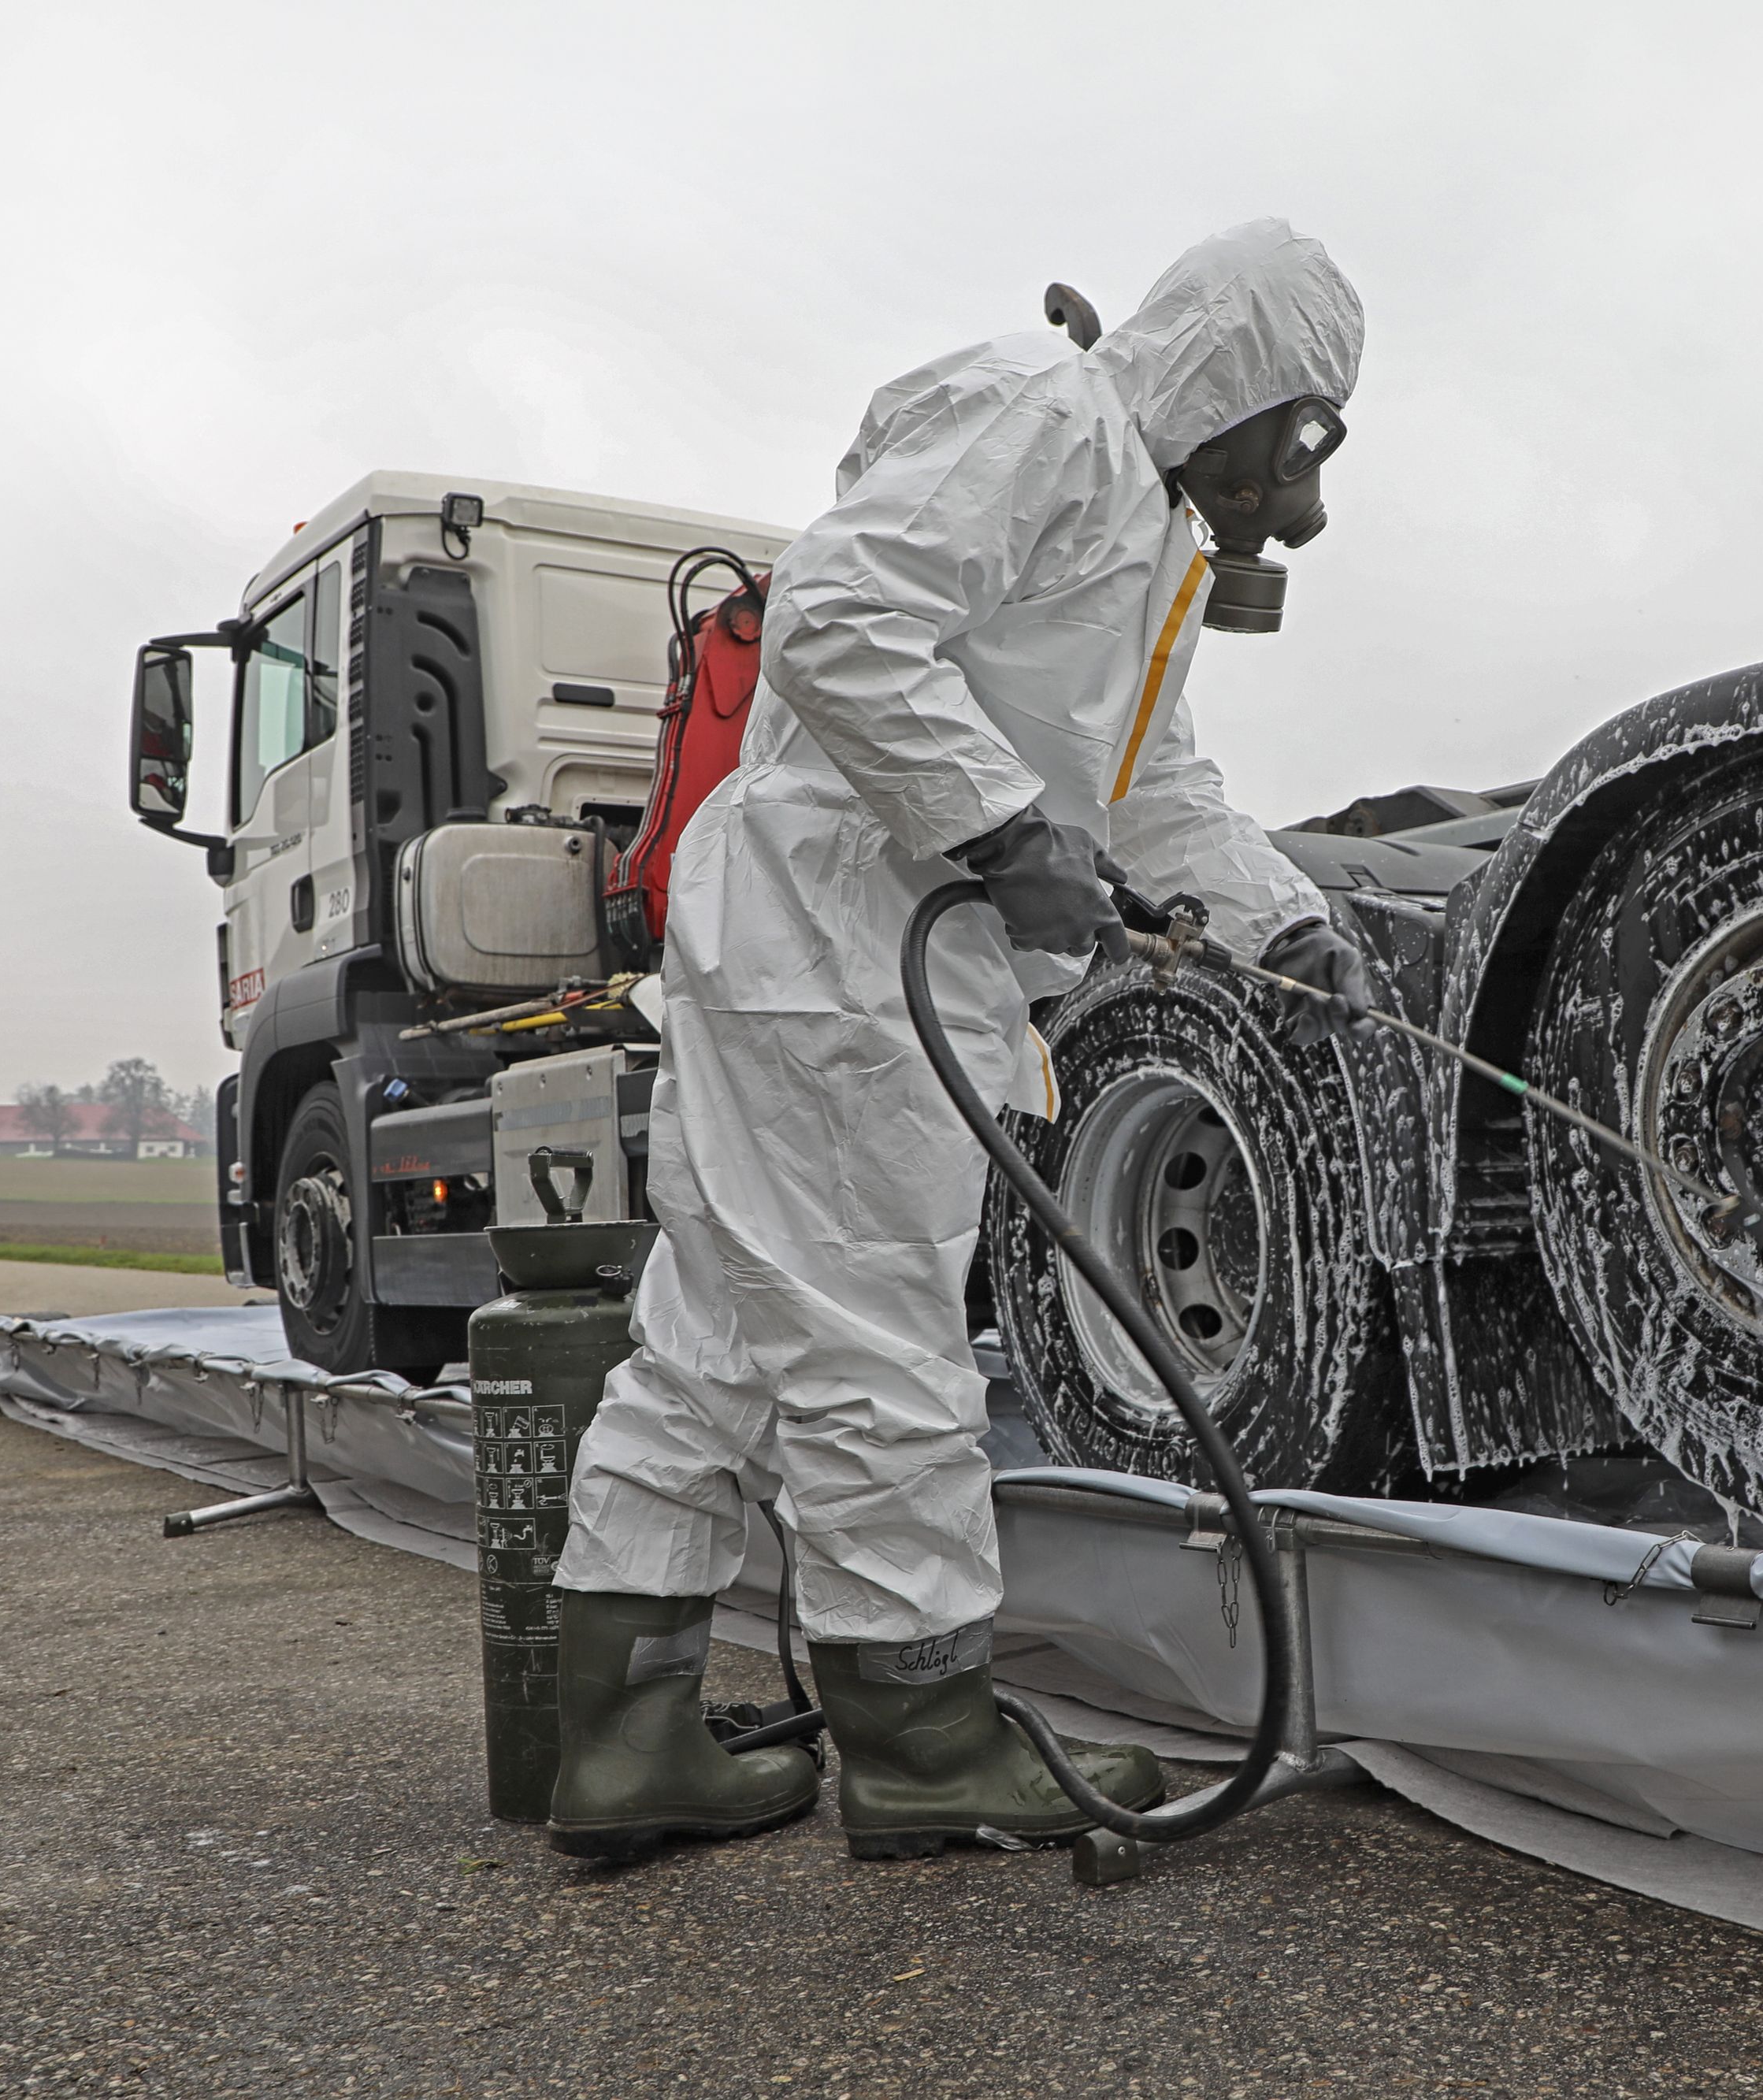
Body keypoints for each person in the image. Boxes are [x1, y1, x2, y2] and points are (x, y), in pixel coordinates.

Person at [543, 219, 1376, 1864]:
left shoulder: (1144, 536)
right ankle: (921, 1736)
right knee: (880, 1339)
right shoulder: (1052, 423)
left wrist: (1280, 918)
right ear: (1250, 391)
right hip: (848, 944)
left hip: (801, 948)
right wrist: (996, 830)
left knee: (713, 1338)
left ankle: (621, 1738)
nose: (1296, 491)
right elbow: (840, 617)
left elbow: (1141, 784)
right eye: (1298, 443)